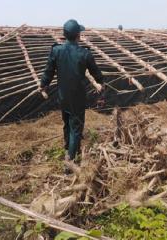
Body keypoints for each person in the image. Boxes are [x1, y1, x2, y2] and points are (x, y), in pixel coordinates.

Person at [40, 19, 104, 162]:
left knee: (67, 123)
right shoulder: (84, 53)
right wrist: (101, 83)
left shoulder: (56, 51)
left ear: (64, 35)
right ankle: (70, 161)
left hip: (63, 96)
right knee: (76, 129)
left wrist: (43, 84)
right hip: (78, 98)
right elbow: (96, 72)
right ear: (78, 36)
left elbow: (48, 71)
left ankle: (69, 149)